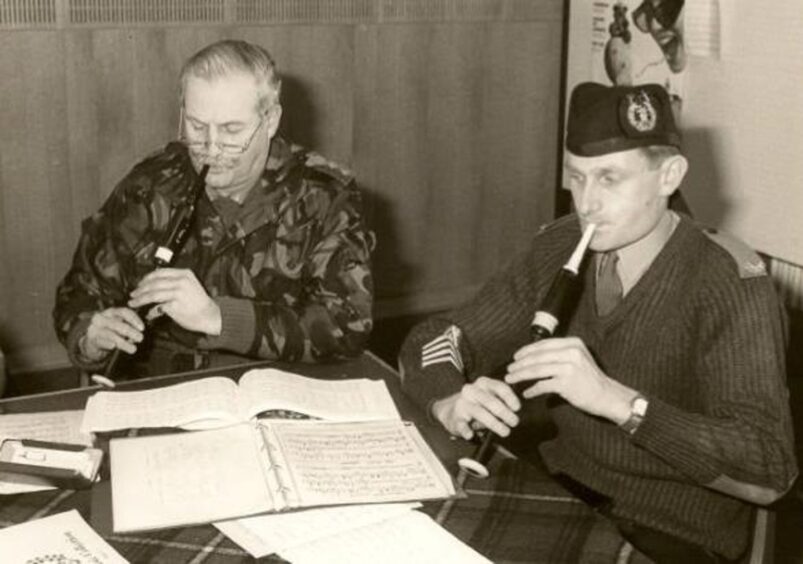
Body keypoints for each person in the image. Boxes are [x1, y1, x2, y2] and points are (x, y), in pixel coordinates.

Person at [399, 82, 797, 562]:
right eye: (577, 176)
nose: (586, 202)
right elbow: (438, 337)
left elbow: (770, 468)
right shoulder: (560, 245)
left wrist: (620, 402)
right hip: (567, 490)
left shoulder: (730, 282)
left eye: (609, 178)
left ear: (669, 175)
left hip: (676, 532)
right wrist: (448, 397)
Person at [54, 39, 375, 378]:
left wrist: (217, 317)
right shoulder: (149, 185)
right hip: (162, 388)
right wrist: (90, 336)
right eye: (196, 126)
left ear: (270, 121)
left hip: (275, 384)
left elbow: (348, 327)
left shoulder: (325, 196)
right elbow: (79, 291)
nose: (210, 148)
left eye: (231, 130)